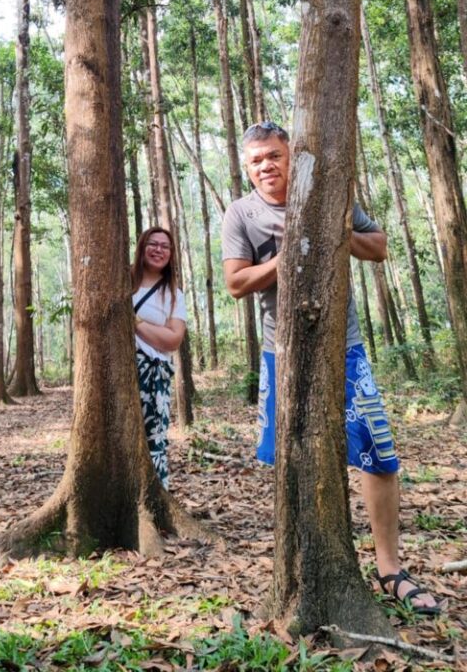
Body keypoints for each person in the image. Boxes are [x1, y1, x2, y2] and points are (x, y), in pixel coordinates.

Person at [221, 121, 440, 615]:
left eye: (274, 156)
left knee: (379, 455)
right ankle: (301, 567)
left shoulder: (329, 192)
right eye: (256, 161)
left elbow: (379, 247)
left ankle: (389, 570)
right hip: (284, 354)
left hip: (346, 347)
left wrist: (331, 225)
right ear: (247, 168)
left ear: (289, 154)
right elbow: (235, 284)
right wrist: (288, 252)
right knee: (291, 460)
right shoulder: (241, 214)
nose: (266, 167)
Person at [131, 227, 187, 489]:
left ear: (171, 254)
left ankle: (155, 498)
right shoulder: (125, 283)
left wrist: (136, 323)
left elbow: (173, 339)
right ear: (141, 248)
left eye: (165, 246)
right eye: (152, 244)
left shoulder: (174, 294)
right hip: (124, 372)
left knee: (154, 440)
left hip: (155, 376)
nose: (158, 250)